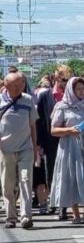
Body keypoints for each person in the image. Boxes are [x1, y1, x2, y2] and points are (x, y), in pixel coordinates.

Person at [48, 77, 84, 224]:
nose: (80, 92)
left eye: (82, 88)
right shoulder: (62, 106)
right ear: (71, 90)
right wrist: (69, 130)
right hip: (69, 146)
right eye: (77, 89)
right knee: (73, 178)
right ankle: (76, 215)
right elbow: (53, 130)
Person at [0, 73, 39, 229]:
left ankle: (25, 216)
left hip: (25, 148)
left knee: (25, 180)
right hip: (5, 149)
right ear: (6, 85)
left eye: (21, 85)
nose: (19, 88)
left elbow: (33, 126)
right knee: (7, 185)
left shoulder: (28, 100)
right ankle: (10, 217)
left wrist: (35, 147)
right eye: (15, 86)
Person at [35, 64, 73, 218]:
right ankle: (54, 201)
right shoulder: (45, 96)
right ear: (57, 78)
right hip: (51, 142)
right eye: (64, 79)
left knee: (66, 172)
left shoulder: (71, 96)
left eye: (68, 80)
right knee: (52, 172)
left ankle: (62, 206)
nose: (66, 83)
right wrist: (39, 143)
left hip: (69, 139)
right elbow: (40, 121)